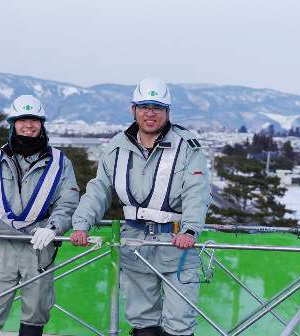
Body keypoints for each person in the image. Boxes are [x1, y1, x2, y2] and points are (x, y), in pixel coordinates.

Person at [70, 77, 211, 336]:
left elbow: (196, 192)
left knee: (180, 321)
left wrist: (190, 230)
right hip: (135, 241)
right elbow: (99, 190)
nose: (150, 113)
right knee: (141, 319)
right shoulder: (116, 147)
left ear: (167, 112)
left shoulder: (187, 146)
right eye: (144, 106)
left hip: (175, 240)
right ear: (132, 109)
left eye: (157, 107)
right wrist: (81, 224)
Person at [0, 95, 79, 336]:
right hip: (3, 244)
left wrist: (54, 228)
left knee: (36, 311)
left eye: (34, 120)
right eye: (22, 120)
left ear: (42, 124)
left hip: (40, 246)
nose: (29, 125)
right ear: (13, 124)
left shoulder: (60, 163)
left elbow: (67, 203)